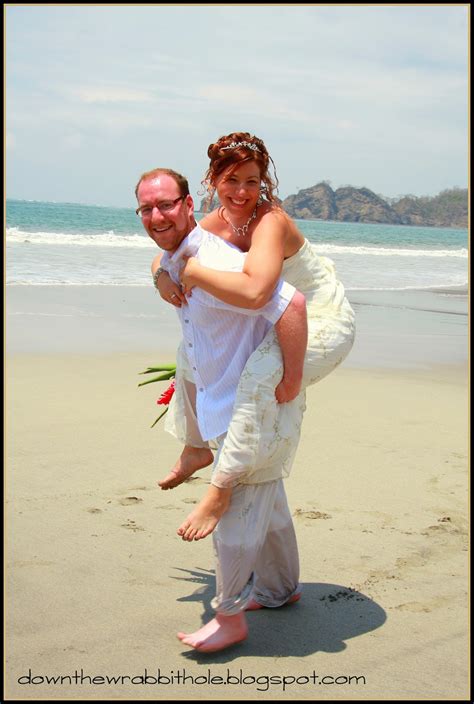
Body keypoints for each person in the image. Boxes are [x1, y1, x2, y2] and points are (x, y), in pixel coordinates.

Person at [136, 167, 308, 652]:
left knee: (233, 509)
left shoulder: (215, 260)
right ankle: (280, 589)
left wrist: (291, 379)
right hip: (223, 400)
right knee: (268, 505)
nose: (157, 215)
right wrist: (160, 276)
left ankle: (229, 615)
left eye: (166, 204)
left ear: (189, 205)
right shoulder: (179, 257)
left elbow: (291, 304)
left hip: (253, 407)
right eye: (147, 208)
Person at [154, 132, 355, 492]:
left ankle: (224, 486)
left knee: (258, 375)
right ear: (212, 180)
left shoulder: (270, 221)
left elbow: (257, 292)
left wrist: (195, 272)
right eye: (231, 180)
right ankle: (195, 448)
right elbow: (166, 255)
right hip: (275, 319)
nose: (242, 193)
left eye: (252, 181)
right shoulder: (216, 222)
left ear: (264, 182)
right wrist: (160, 277)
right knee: (190, 350)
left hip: (321, 316)